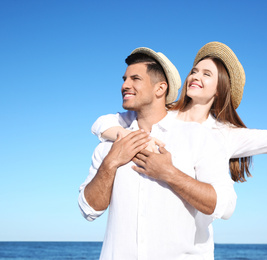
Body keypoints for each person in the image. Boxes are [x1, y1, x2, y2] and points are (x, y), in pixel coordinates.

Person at [78, 47, 237, 259]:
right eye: (124, 79)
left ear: (160, 88)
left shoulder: (198, 137)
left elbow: (223, 205)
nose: (125, 85)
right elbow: (89, 209)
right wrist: (111, 163)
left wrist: (168, 173)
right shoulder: (110, 146)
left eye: (135, 79)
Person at [91, 41, 267, 182]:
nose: (195, 77)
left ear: (219, 90)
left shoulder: (224, 134)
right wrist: (126, 137)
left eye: (206, 74)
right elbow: (103, 123)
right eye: (194, 71)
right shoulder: (164, 114)